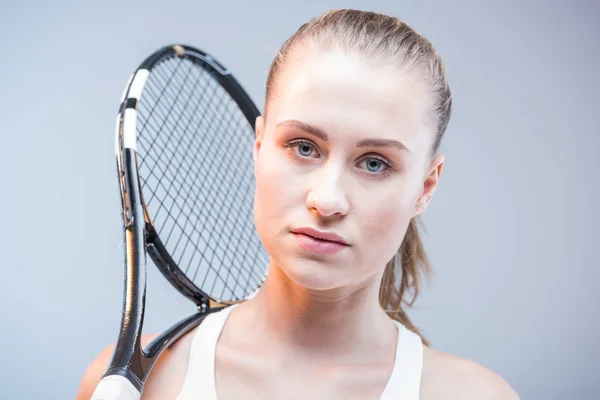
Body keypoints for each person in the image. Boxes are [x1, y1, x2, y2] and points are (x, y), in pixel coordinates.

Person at [77, 9, 519, 400]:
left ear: (426, 186)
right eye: (304, 147)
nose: (326, 200)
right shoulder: (140, 384)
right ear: (258, 146)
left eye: (374, 163)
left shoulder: (476, 395)